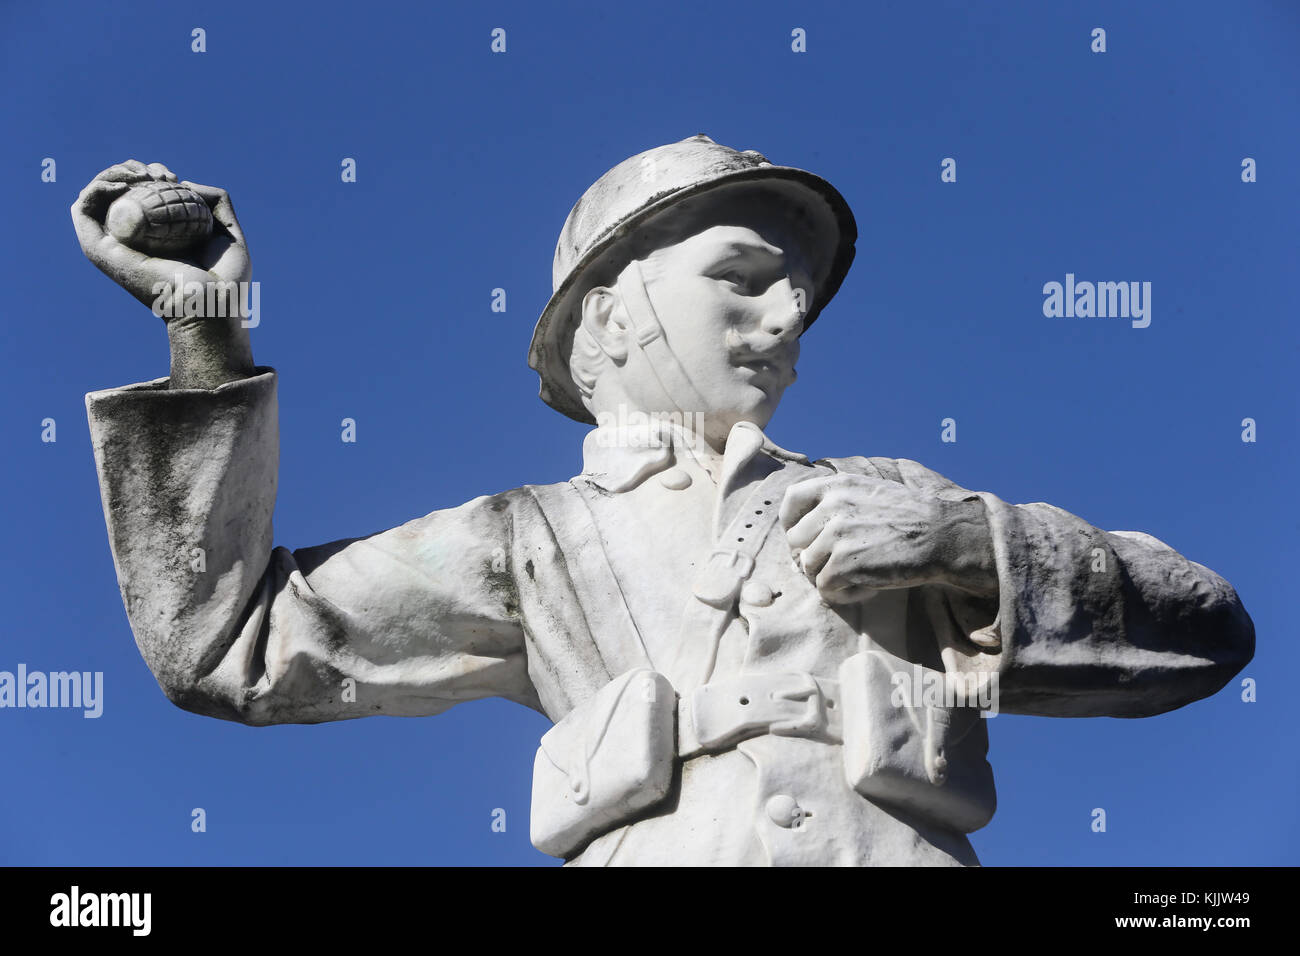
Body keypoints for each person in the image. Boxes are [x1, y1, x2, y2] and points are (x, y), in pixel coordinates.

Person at [72, 135, 1254, 866]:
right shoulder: (528, 539)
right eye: (740, 279)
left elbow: (1204, 630)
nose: (786, 316)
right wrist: (204, 328)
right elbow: (223, 642)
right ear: (607, 319)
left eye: (797, 292)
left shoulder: (897, 502)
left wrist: (970, 544)